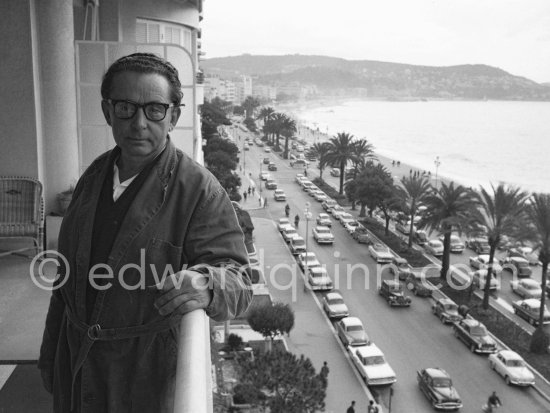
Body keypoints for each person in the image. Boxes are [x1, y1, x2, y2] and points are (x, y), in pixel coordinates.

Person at [37, 53, 253, 413]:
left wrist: (208, 283)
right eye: (126, 107)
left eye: (155, 109)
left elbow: (240, 281)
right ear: (108, 111)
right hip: (75, 361)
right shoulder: (94, 176)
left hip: (142, 378)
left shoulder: (199, 190)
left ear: (174, 116)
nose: (139, 123)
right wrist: (50, 356)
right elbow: (65, 281)